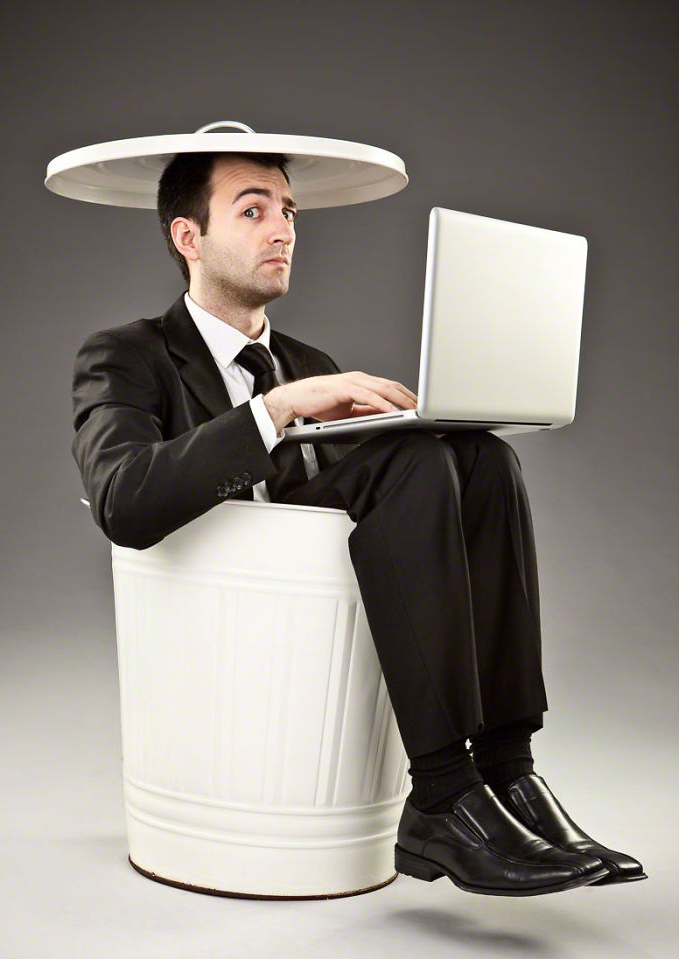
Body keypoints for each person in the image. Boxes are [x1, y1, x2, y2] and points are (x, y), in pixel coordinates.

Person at [72, 149, 646, 896]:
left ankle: (509, 773)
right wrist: (276, 409)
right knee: (416, 462)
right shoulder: (126, 354)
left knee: (481, 458)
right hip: (230, 629)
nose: (282, 229)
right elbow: (123, 500)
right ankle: (441, 789)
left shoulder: (310, 361)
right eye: (252, 210)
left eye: (288, 211)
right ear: (189, 237)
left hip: (318, 622)